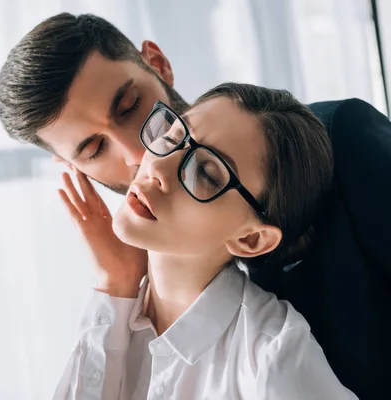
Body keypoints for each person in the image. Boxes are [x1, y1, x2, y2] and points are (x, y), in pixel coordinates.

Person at [0, 13, 391, 399]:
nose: (138, 155)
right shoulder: (118, 318)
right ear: (72, 167)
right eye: (95, 149)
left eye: (131, 105)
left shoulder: (335, 138)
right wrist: (116, 283)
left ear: (159, 64)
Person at [52, 82, 356, 399]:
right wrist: (115, 282)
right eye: (172, 138)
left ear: (251, 239)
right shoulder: (114, 311)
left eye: (206, 173)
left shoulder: (271, 358)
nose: (157, 165)